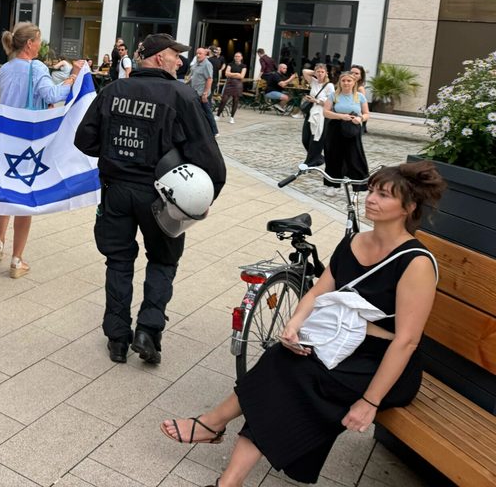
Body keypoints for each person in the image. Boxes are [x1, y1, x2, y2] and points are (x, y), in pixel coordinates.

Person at [160, 161, 446, 487]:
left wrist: (369, 402)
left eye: (383, 195)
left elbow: (406, 341)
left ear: (408, 208)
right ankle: (228, 475)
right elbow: (318, 291)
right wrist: (293, 324)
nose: (370, 199)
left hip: (382, 363)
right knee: (281, 359)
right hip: (340, 344)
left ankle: (213, 428)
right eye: (371, 190)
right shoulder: (354, 243)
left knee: (296, 377)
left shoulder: (416, 262)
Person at [75, 33, 226, 365]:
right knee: (162, 260)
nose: (180, 61)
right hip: (162, 196)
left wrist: (116, 152)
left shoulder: (114, 90)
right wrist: (210, 190)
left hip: (116, 190)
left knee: (118, 261)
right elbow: (206, 152)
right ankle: (148, 330)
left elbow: (84, 139)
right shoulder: (181, 95)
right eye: (175, 55)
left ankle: (117, 338)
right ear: (159, 58)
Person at [0, 23, 85, 278]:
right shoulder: (37, 67)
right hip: (29, 139)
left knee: (6, 188)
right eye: (39, 41)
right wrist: (73, 78)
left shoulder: (5, 69)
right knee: (25, 195)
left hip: (6, 135)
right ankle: (16, 259)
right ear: (30, 43)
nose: (40, 45)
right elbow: (51, 92)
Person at [322, 71, 370, 198]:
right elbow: (326, 112)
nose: (346, 83)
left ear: (354, 82)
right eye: (343, 80)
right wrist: (340, 116)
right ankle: (333, 185)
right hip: (336, 128)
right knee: (334, 156)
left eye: (349, 80)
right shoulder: (334, 95)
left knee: (355, 156)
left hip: (352, 128)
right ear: (340, 82)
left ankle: (358, 185)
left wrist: (360, 119)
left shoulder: (359, 96)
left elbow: (366, 114)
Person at [300, 64, 334, 167]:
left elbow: (331, 103)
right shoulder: (314, 82)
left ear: (326, 73)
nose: (320, 74)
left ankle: (309, 163)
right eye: (318, 72)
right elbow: (304, 71)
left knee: (315, 139)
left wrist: (316, 100)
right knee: (305, 138)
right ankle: (318, 158)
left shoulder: (329, 86)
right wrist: (315, 73)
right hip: (311, 112)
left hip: (322, 114)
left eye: (322, 72)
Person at [188, 47, 218, 136]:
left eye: (200, 53)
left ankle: (214, 131)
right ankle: (198, 130)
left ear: (205, 54)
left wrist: (205, 93)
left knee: (207, 112)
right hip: (194, 92)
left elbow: (209, 79)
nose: (198, 55)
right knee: (196, 112)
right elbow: (192, 75)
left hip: (202, 94)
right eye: (197, 53)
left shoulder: (207, 64)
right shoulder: (196, 63)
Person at [216, 52, 246, 124]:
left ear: (241, 57)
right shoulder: (230, 64)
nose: (237, 57)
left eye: (238, 56)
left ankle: (232, 117)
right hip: (229, 84)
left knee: (235, 101)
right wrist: (236, 74)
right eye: (235, 56)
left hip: (238, 85)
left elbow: (242, 76)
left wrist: (231, 74)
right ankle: (217, 115)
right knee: (224, 100)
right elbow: (226, 73)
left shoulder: (243, 66)